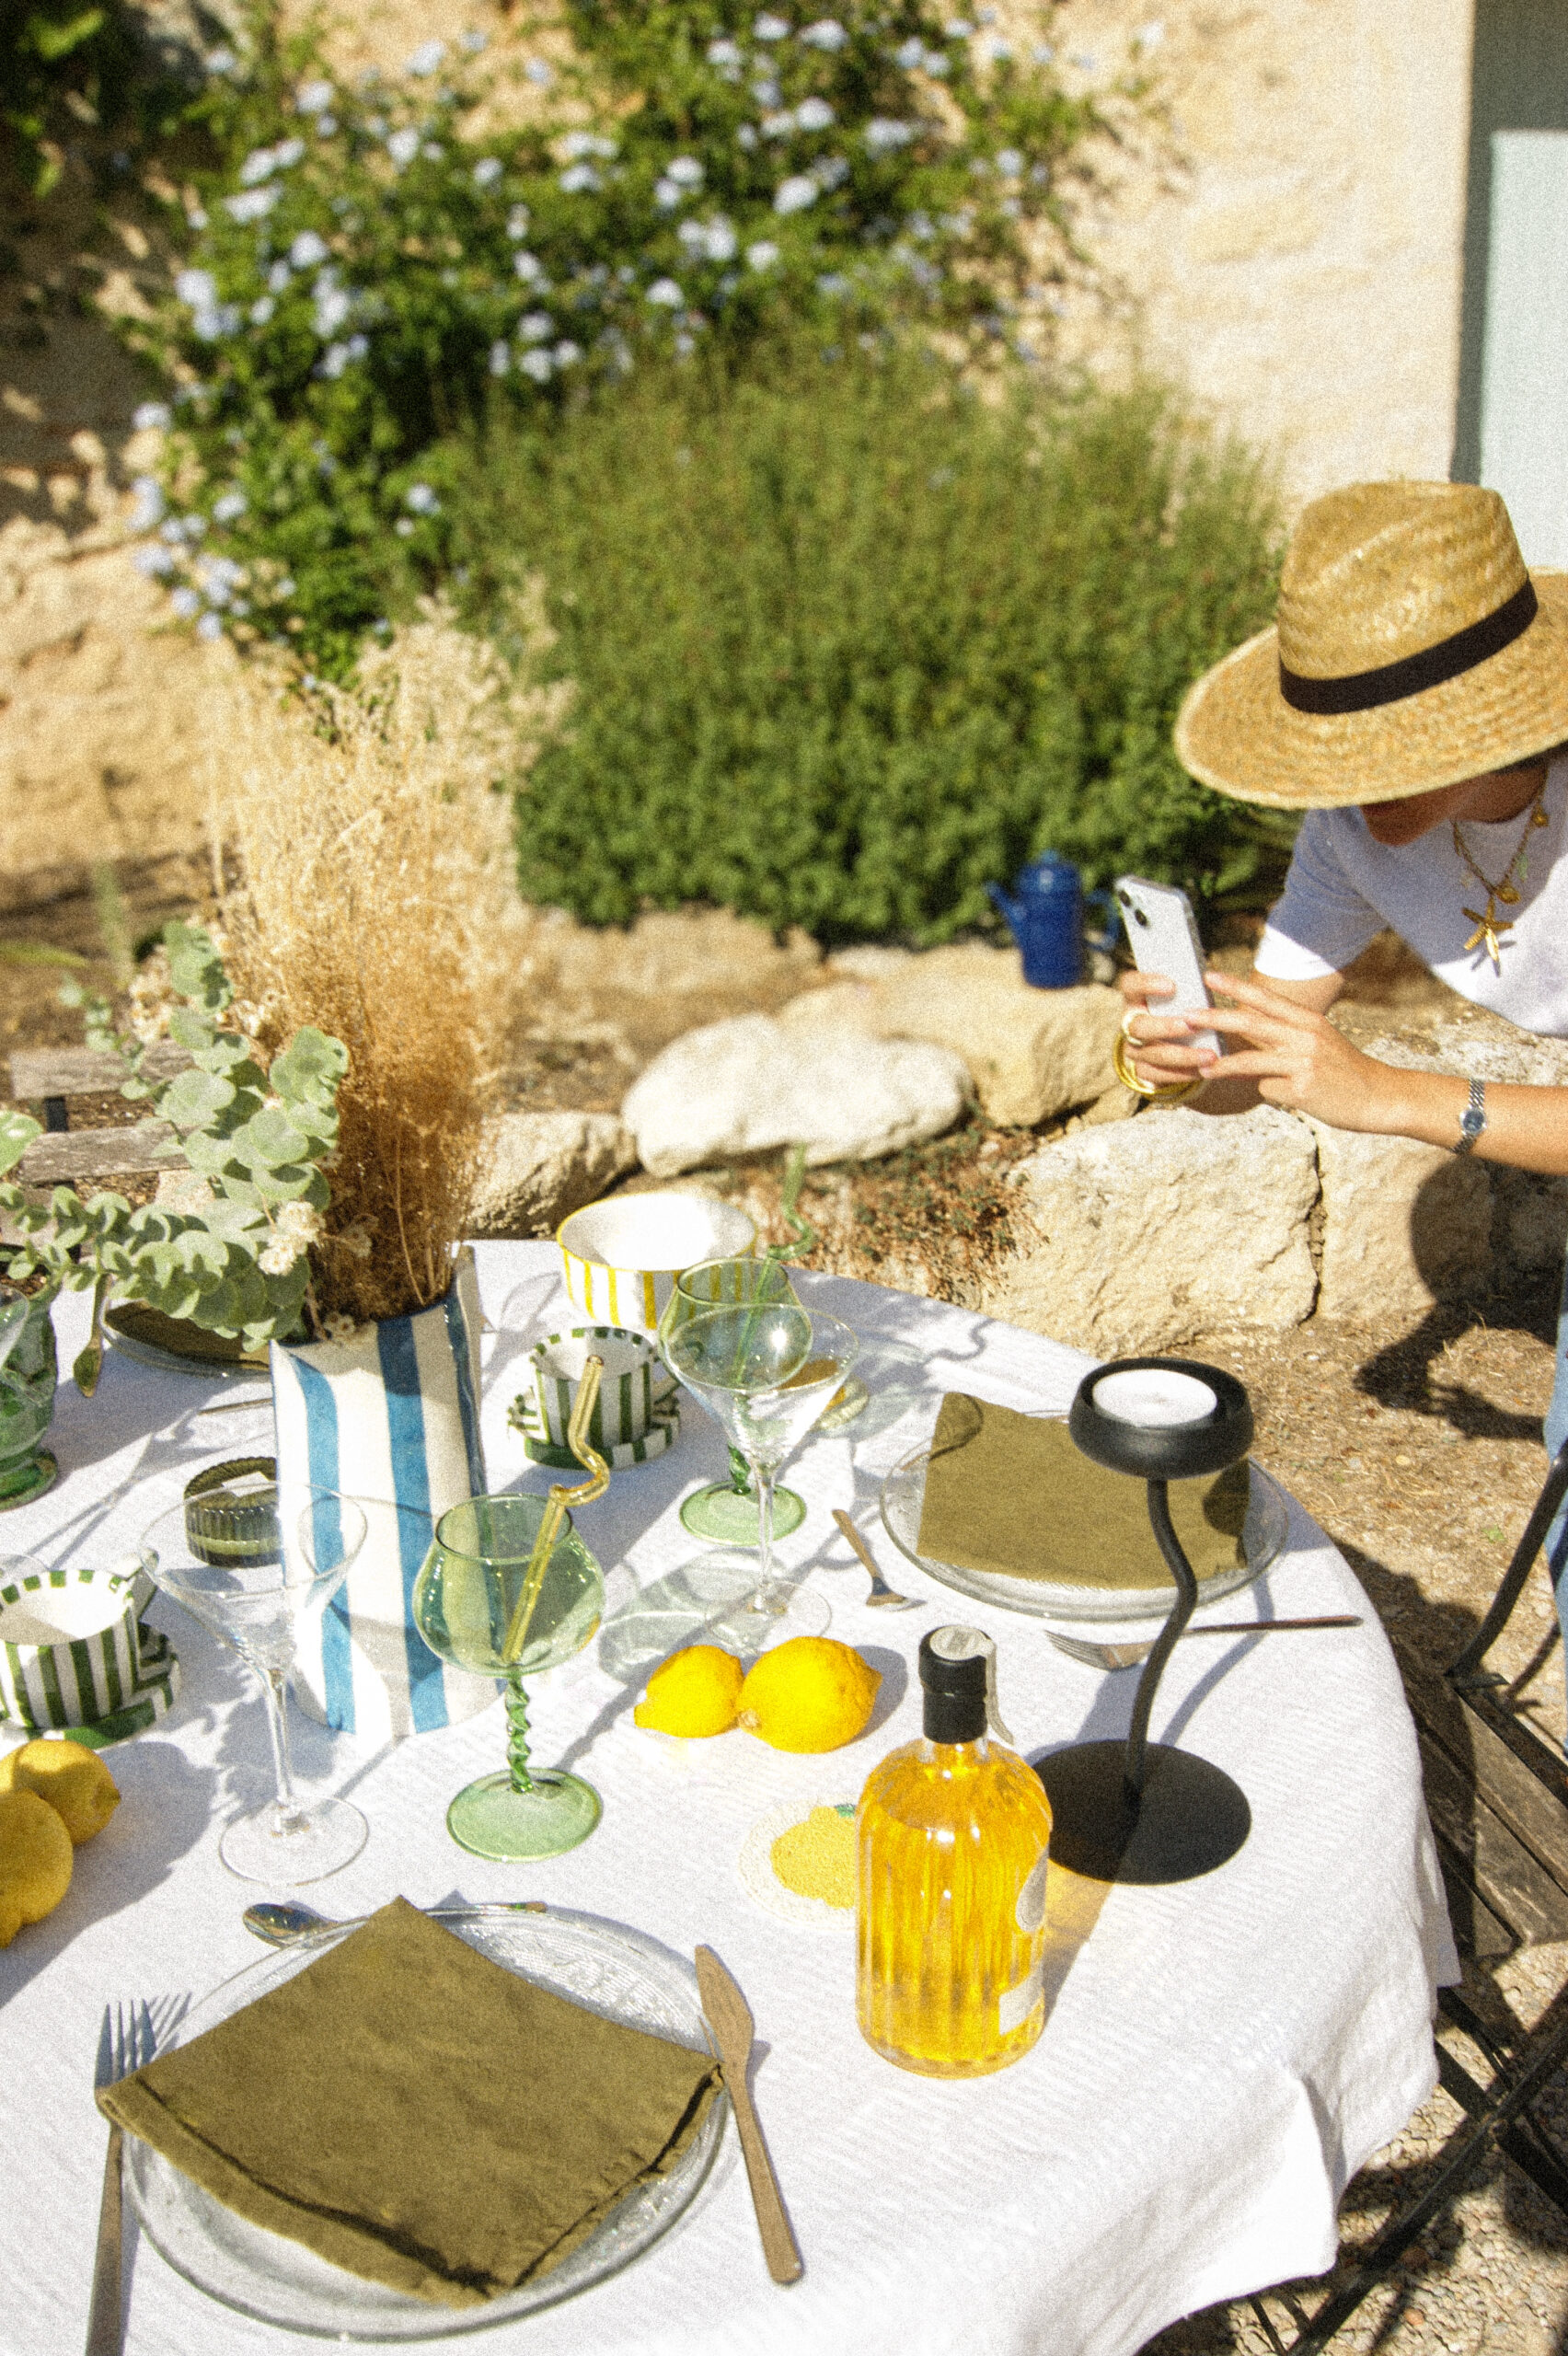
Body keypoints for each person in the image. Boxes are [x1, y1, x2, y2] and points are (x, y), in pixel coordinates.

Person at [1119, 479, 1568, 1641]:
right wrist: (1180, 1060)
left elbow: (1356, 1084)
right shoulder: (1352, 830)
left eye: (1380, 753)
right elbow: (1255, 1057)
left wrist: (1387, 1097)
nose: (1339, 787)